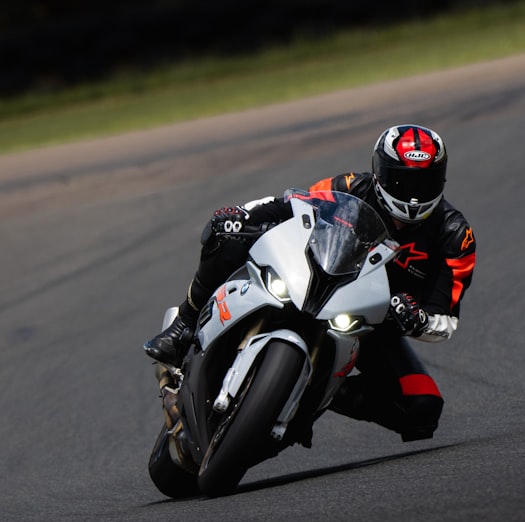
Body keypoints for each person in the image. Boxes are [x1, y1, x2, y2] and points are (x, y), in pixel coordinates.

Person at [144, 124, 476, 441]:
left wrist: (418, 320)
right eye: (403, 182)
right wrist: (243, 214)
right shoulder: (347, 186)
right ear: (380, 174)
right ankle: (183, 326)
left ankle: (313, 398)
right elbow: (291, 204)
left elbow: (445, 319)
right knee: (228, 236)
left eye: (424, 182)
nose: (414, 196)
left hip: (373, 325)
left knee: (423, 407)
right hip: (313, 280)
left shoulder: (454, 237)